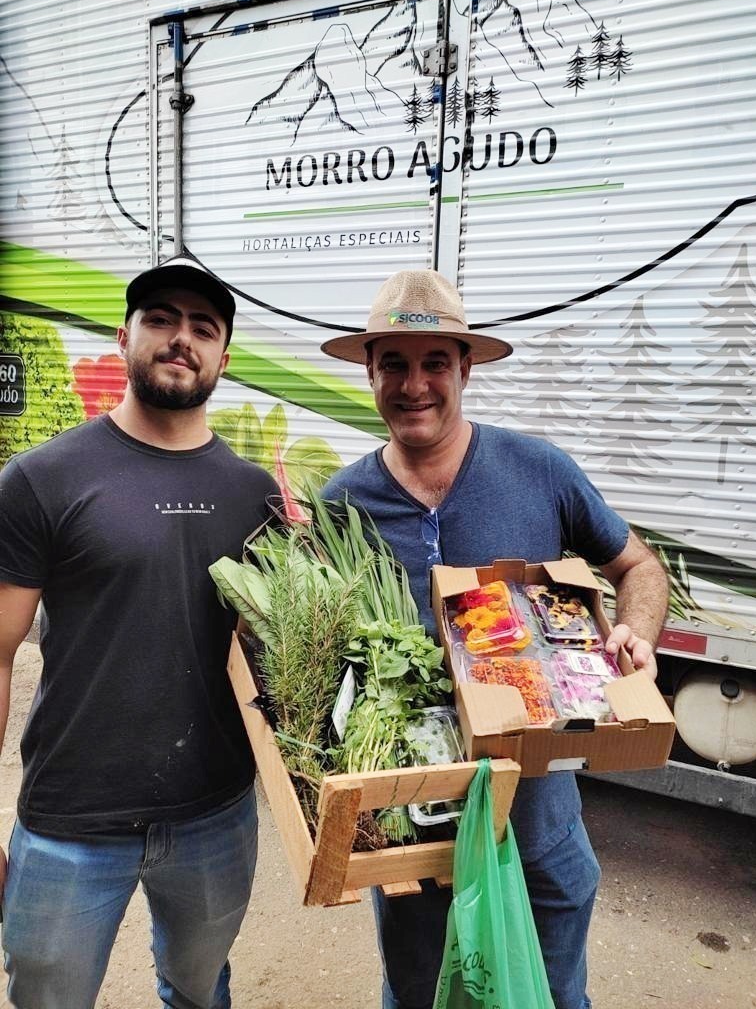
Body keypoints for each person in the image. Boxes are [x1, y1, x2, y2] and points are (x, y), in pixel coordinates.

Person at [320, 269, 669, 1009]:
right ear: (373, 373)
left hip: (540, 823)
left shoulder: (539, 471)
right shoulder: (342, 505)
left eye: (434, 363)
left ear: (465, 368)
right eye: (395, 365)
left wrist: (635, 634)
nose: (414, 385)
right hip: (418, 829)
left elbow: (637, 565)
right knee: (421, 993)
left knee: (550, 993)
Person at [0, 255, 279, 1009]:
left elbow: (270, 656)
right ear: (125, 336)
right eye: (160, 319)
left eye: (202, 327)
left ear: (224, 356)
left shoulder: (256, 494)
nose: (180, 338)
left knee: (197, 990)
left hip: (215, 815)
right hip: (70, 821)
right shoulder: (41, 479)